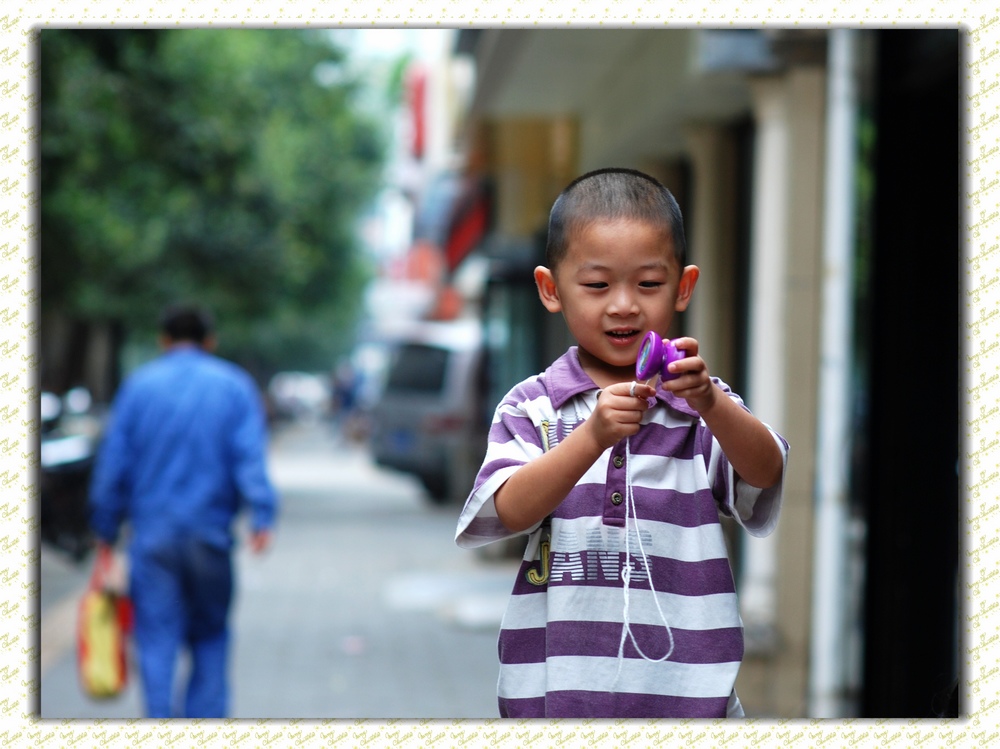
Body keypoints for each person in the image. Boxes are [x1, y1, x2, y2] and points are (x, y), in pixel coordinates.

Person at [455, 168, 788, 719]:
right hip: (556, 700)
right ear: (550, 289)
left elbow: (765, 471)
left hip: (691, 703)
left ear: (683, 288)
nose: (624, 305)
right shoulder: (533, 407)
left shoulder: (700, 405)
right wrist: (591, 437)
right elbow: (508, 509)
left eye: (649, 285)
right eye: (597, 285)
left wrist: (710, 402)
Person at [89, 303, 278, 718]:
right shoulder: (233, 386)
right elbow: (250, 457)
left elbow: (113, 464)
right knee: (210, 635)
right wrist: (262, 516)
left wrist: (105, 527)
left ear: (163, 341)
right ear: (210, 342)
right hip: (210, 536)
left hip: (153, 539)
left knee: (156, 639)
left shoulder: (139, 387)